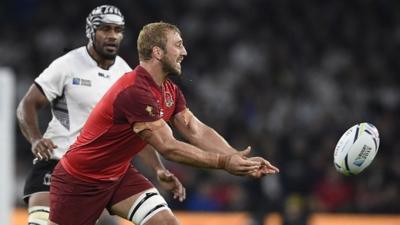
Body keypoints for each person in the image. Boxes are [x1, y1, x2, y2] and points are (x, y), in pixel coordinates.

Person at [48, 21, 280, 225]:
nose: (185, 52)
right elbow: (168, 146)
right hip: (79, 182)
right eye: (178, 45)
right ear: (158, 52)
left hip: (118, 176)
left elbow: (195, 130)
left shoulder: (169, 90)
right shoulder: (134, 91)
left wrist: (236, 157)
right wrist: (224, 162)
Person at [16, 6, 184, 225]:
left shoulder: (124, 73)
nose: (113, 35)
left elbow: (140, 130)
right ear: (90, 31)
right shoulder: (67, 64)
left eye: (118, 30)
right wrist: (36, 138)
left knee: (165, 222)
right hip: (58, 165)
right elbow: (27, 105)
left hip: (110, 170)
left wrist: (158, 168)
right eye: (105, 29)